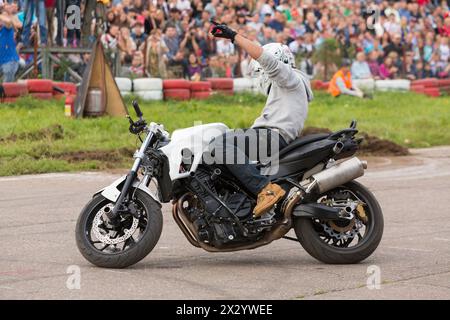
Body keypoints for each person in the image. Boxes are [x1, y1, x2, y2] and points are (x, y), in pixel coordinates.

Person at [210, 21, 313, 217]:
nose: (260, 77)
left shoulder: (289, 79)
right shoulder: (287, 88)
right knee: (221, 143)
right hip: (269, 136)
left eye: (259, 71)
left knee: (218, 146)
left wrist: (234, 36)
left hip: (271, 137)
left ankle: (265, 190)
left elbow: (268, 61)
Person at [0, 2, 22, 82]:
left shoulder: (7, 28)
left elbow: (9, 22)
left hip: (9, 62)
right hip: (2, 60)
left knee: (7, 88)